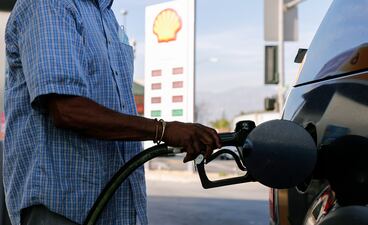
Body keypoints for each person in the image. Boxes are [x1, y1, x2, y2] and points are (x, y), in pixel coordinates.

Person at [4, 0, 221, 225]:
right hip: (62, 208)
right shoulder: (49, 4)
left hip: (113, 207)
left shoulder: (105, 15)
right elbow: (67, 110)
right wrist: (163, 130)